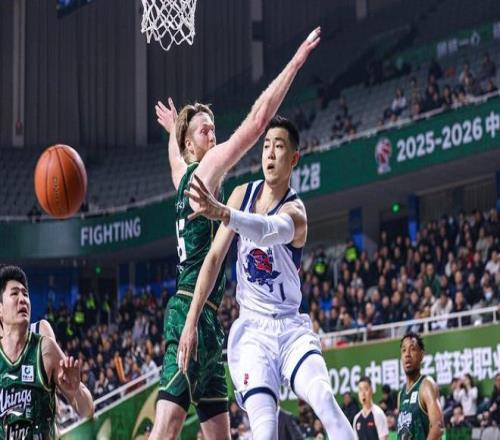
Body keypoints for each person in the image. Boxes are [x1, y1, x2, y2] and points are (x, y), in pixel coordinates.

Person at [150, 28, 322, 440]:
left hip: (210, 319)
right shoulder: (205, 171)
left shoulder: (181, 174)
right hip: (190, 310)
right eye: (205, 131)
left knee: (219, 435)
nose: (213, 135)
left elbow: (174, 157)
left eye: (213, 128)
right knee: (166, 430)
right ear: (192, 146)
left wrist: (174, 130)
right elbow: (258, 123)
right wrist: (295, 62)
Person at [179, 115, 355, 439]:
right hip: (253, 334)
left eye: (279, 147)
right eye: (266, 146)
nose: (270, 153)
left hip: (291, 329)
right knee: (264, 430)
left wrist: (224, 213)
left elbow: (266, 231)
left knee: (324, 399)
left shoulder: (295, 213)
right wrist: (191, 320)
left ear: (294, 158)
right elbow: (214, 258)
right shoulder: (241, 195)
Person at [0, 265, 93, 439]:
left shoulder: (44, 347)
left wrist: (75, 391)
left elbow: (87, 411)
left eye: (25, 294)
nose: (22, 299)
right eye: (14, 294)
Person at [397, 332, 443, 439]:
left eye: (412, 349)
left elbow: (437, 427)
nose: (407, 354)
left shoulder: (426, 385)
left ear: (421, 355)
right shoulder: (401, 394)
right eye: (404, 350)